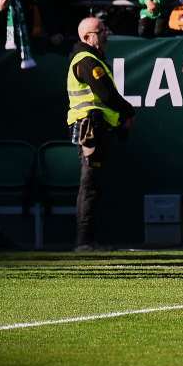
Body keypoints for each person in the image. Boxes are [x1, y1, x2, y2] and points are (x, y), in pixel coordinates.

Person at [67, 16, 136, 250]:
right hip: (90, 130)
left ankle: (89, 240)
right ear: (87, 37)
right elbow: (106, 95)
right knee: (89, 186)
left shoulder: (94, 58)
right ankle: (84, 241)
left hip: (97, 128)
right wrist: (129, 111)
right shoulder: (86, 60)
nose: (106, 34)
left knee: (94, 186)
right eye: (101, 31)